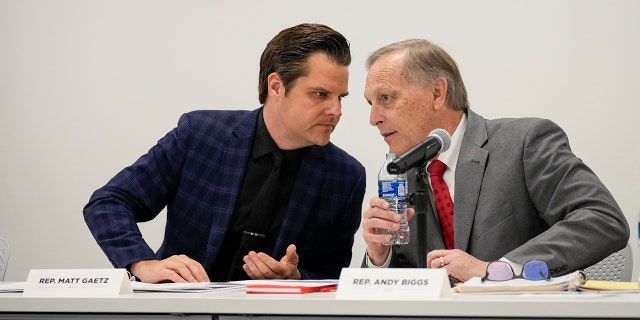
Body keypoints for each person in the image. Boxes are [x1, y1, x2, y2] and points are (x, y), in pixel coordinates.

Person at [83, 23, 366, 283]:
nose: (336, 111)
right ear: (277, 86)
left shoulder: (346, 176)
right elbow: (109, 202)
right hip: (179, 313)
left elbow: (331, 276)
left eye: (340, 97)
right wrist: (142, 262)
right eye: (320, 94)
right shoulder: (200, 135)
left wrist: (295, 277)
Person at [361, 39, 629, 282]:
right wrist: (379, 256)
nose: (374, 118)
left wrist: (496, 269)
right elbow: (410, 281)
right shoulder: (402, 176)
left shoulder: (524, 142)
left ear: (437, 93)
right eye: (370, 103)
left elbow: (602, 220)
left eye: (386, 98)